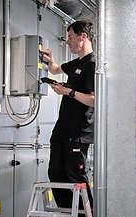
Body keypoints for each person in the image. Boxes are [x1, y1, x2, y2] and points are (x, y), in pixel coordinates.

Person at [41, 20, 95, 214]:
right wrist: (50, 59)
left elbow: (93, 100)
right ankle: (67, 212)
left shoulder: (92, 64)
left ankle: (87, 214)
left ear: (83, 37)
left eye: (71, 37)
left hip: (79, 132)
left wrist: (68, 92)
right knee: (55, 173)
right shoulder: (75, 64)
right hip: (62, 128)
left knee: (75, 176)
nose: (68, 41)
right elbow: (55, 69)